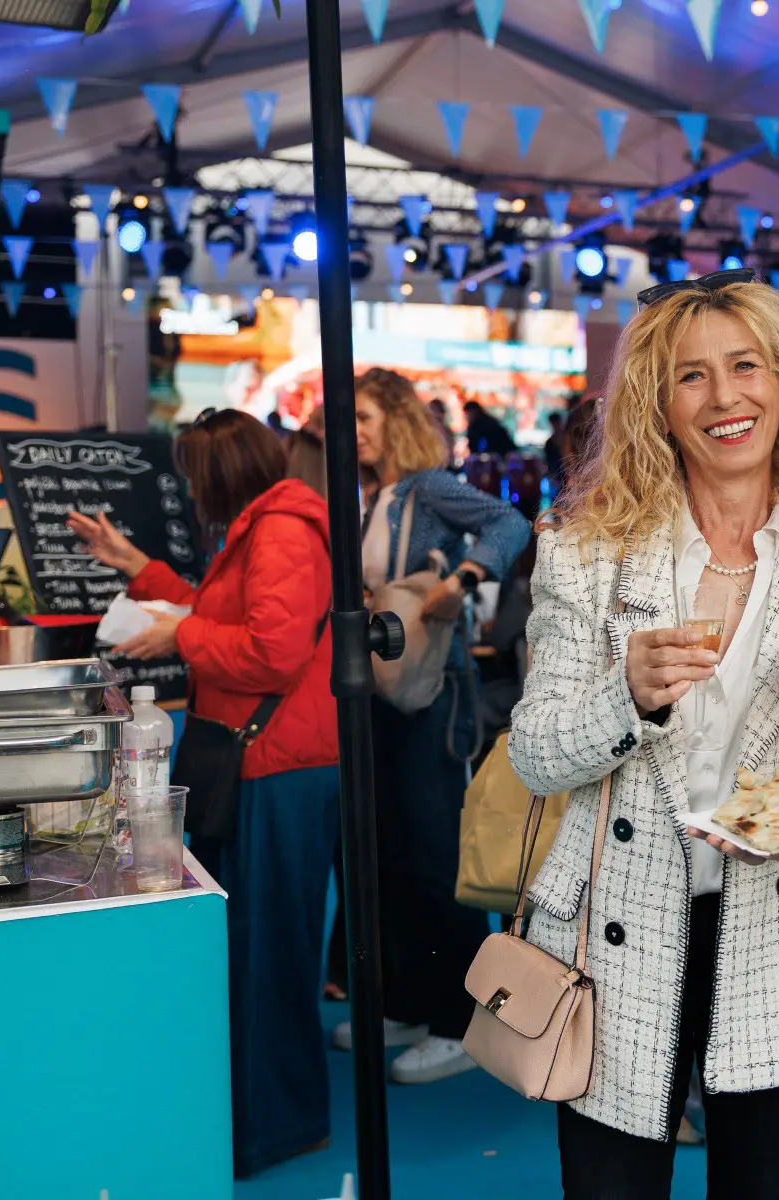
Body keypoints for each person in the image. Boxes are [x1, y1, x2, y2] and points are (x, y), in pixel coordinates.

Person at [507, 274, 779, 1199]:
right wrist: (627, 696)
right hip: (617, 932)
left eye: (746, 367)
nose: (724, 398)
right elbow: (535, 753)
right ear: (656, 406)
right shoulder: (586, 551)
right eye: (690, 376)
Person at [68, 410, 338, 1178]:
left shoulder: (282, 530)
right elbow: (216, 613)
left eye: (193, 476)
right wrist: (138, 566)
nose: (189, 492)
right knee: (254, 945)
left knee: (269, 952)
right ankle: (261, 1119)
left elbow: (271, 653)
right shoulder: (261, 529)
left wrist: (177, 638)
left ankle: (277, 1126)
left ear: (219, 475)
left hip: (280, 766)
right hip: (261, 761)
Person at [331, 368, 530, 1084]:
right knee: (390, 854)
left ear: (396, 419)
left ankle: (459, 1019)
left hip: (433, 693)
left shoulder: (427, 486)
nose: (354, 432)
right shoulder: (371, 497)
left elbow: (510, 522)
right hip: (383, 694)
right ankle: (413, 1000)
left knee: (434, 856)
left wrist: (463, 579)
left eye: (364, 417)